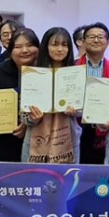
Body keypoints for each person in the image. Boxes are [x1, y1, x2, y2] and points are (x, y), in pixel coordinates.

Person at [22, 27, 82, 164]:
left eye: (64, 45)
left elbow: (83, 110)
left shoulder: (76, 74)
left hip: (69, 143)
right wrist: (33, 118)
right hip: (35, 145)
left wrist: (75, 111)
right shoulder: (32, 74)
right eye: (54, 44)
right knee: (32, 177)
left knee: (67, 177)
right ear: (46, 47)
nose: (60, 49)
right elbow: (24, 116)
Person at [0, 28, 40, 162]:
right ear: (10, 50)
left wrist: (27, 124)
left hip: (38, 142)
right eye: (18, 47)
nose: (24, 50)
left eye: (30, 45)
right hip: (1, 143)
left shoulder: (46, 73)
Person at [75, 22, 109, 164]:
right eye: (91, 37)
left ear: (107, 42)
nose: (96, 40)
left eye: (100, 37)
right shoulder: (71, 68)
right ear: (83, 41)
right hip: (77, 128)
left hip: (106, 131)